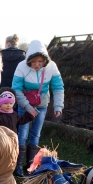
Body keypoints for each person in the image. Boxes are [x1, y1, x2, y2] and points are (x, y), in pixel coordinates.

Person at [12, 40, 64, 170]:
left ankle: (30, 165)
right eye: (33, 61)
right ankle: (17, 165)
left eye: (40, 62)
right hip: (25, 105)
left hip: (42, 104)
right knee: (22, 134)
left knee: (35, 134)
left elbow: (58, 87)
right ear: (29, 60)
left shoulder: (51, 66)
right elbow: (16, 89)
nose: (36, 64)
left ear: (45, 60)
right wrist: (28, 107)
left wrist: (58, 106)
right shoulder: (21, 66)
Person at [0, 87, 34, 177]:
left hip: (12, 142)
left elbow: (21, 120)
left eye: (11, 103)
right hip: (0, 142)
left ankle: (8, 172)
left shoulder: (13, 114)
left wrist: (29, 115)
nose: (9, 105)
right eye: (6, 103)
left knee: (10, 157)